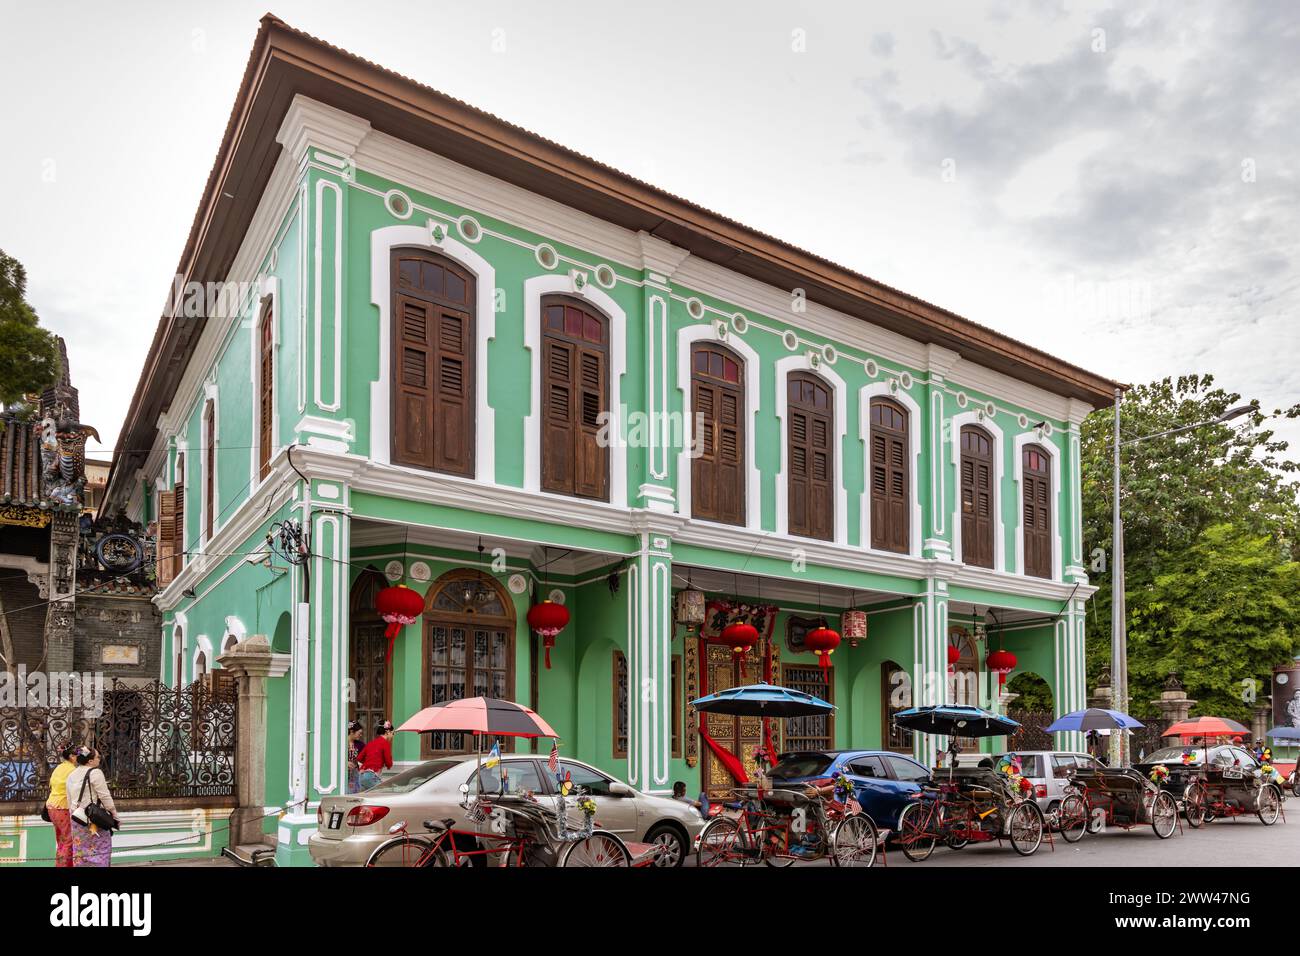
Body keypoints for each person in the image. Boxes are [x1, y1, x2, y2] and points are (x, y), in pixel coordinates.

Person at [66, 747, 118, 867]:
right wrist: (114, 816)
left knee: (80, 853)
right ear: (90, 761)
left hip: (77, 819)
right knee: (100, 850)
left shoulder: (71, 774)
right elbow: (105, 797)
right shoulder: (95, 772)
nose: (99, 759)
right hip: (93, 819)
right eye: (98, 757)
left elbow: (69, 798)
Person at [45, 743, 77, 868]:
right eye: (76, 755)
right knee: (69, 841)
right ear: (71, 756)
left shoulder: (59, 768)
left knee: (62, 841)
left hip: (52, 807)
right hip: (63, 807)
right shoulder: (73, 770)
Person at [357, 720, 395, 790]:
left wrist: (369, 763)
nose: (393, 736)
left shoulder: (370, 743)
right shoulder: (385, 743)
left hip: (361, 776)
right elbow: (388, 761)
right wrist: (388, 765)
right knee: (385, 792)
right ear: (388, 732)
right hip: (371, 776)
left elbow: (359, 758)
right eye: (393, 733)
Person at [346, 720, 365, 793]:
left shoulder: (360, 744)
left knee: (354, 793)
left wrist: (364, 767)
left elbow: (367, 757)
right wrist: (345, 763)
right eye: (359, 733)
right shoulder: (341, 742)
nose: (360, 735)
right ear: (351, 731)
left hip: (354, 774)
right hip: (342, 773)